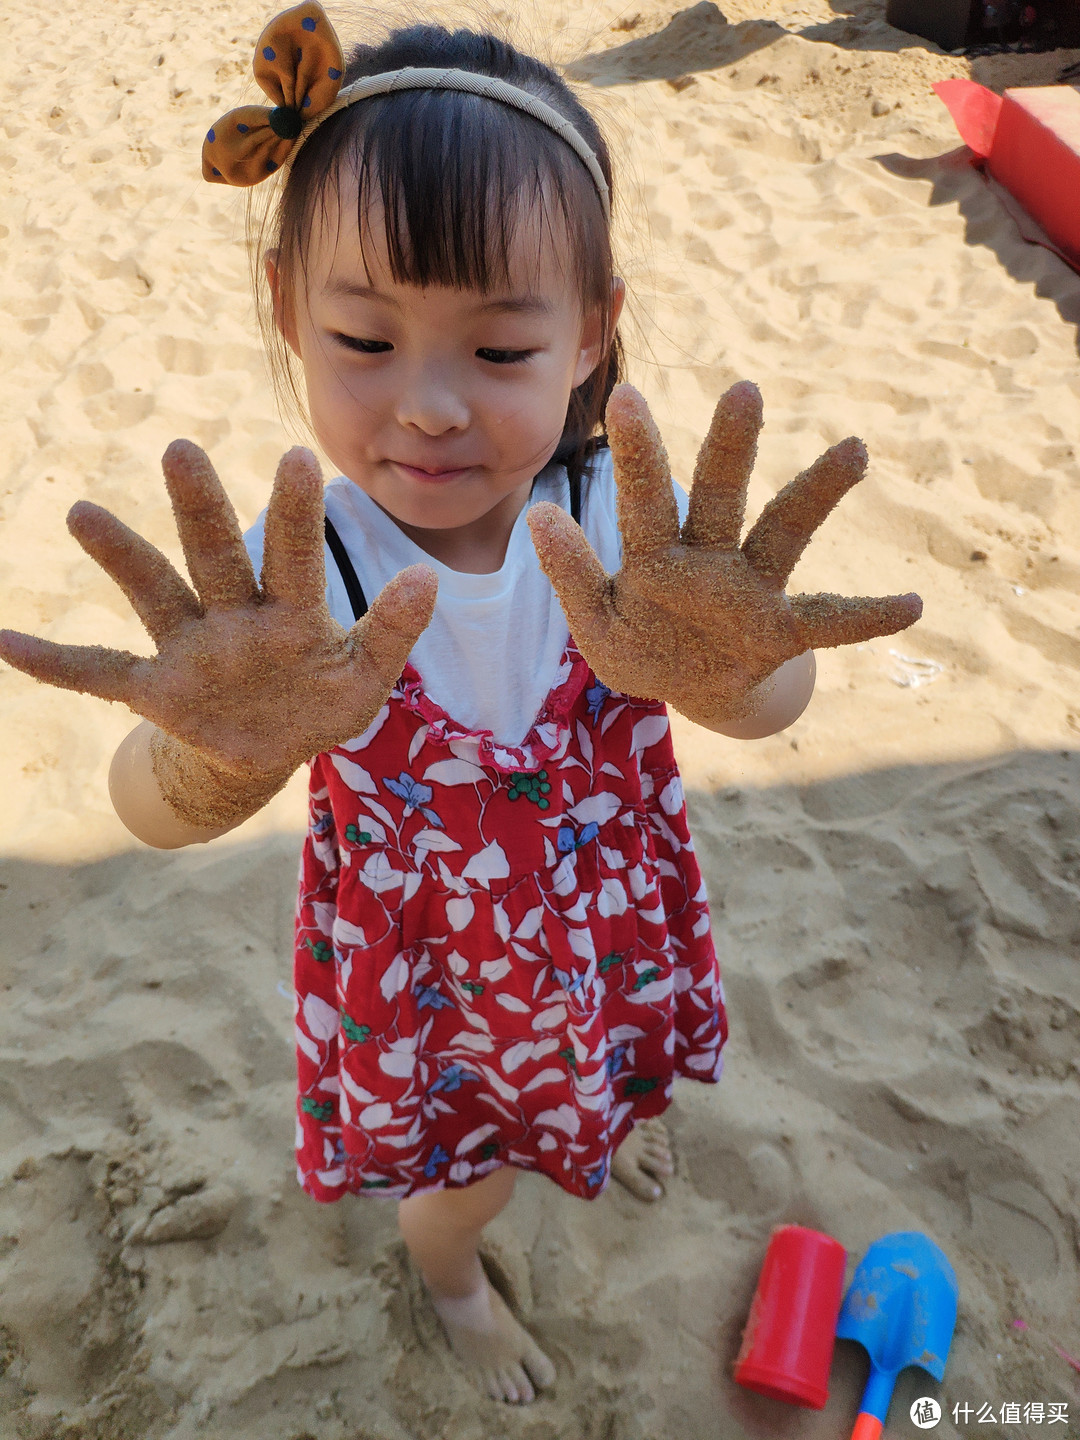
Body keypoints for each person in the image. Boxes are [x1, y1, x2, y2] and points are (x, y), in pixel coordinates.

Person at [0, 1, 922, 1407]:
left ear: (591, 332)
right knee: (472, 1176)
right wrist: (215, 765)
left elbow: (771, 702)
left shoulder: (623, 523)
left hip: (599, 905)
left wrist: (730, 671)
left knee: (621, 1065)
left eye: (498, 355)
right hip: (433, 968)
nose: (426, 407)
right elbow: (144, 801)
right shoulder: (296, 591)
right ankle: (446, 1278)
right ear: (286, 313)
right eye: (363, 339)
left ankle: (604, 1120)